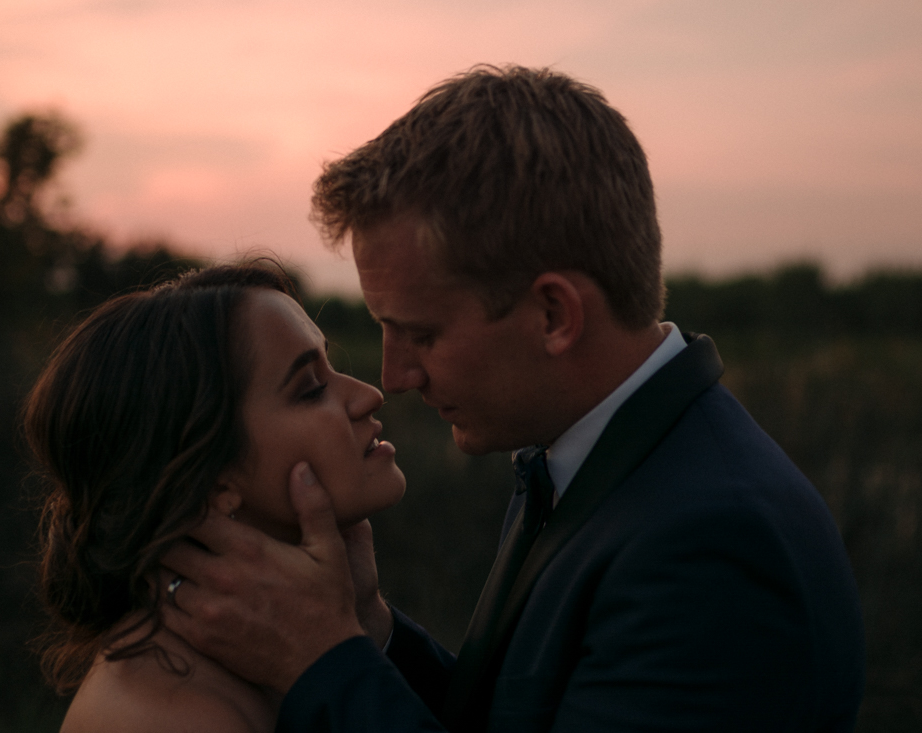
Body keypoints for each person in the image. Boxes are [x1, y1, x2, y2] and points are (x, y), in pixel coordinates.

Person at [162, 65, 866, 732]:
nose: (395, 375)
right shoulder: (586, 461)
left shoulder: (712, 545)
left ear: (554, 315)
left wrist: (318, 661)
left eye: (422, 333)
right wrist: (370, 629)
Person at [24, 264, 406, 732]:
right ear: (214, 482)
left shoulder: (253, 667)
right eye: (310, 389)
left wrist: (364, 622)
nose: (369, 395)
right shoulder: (172, 714)